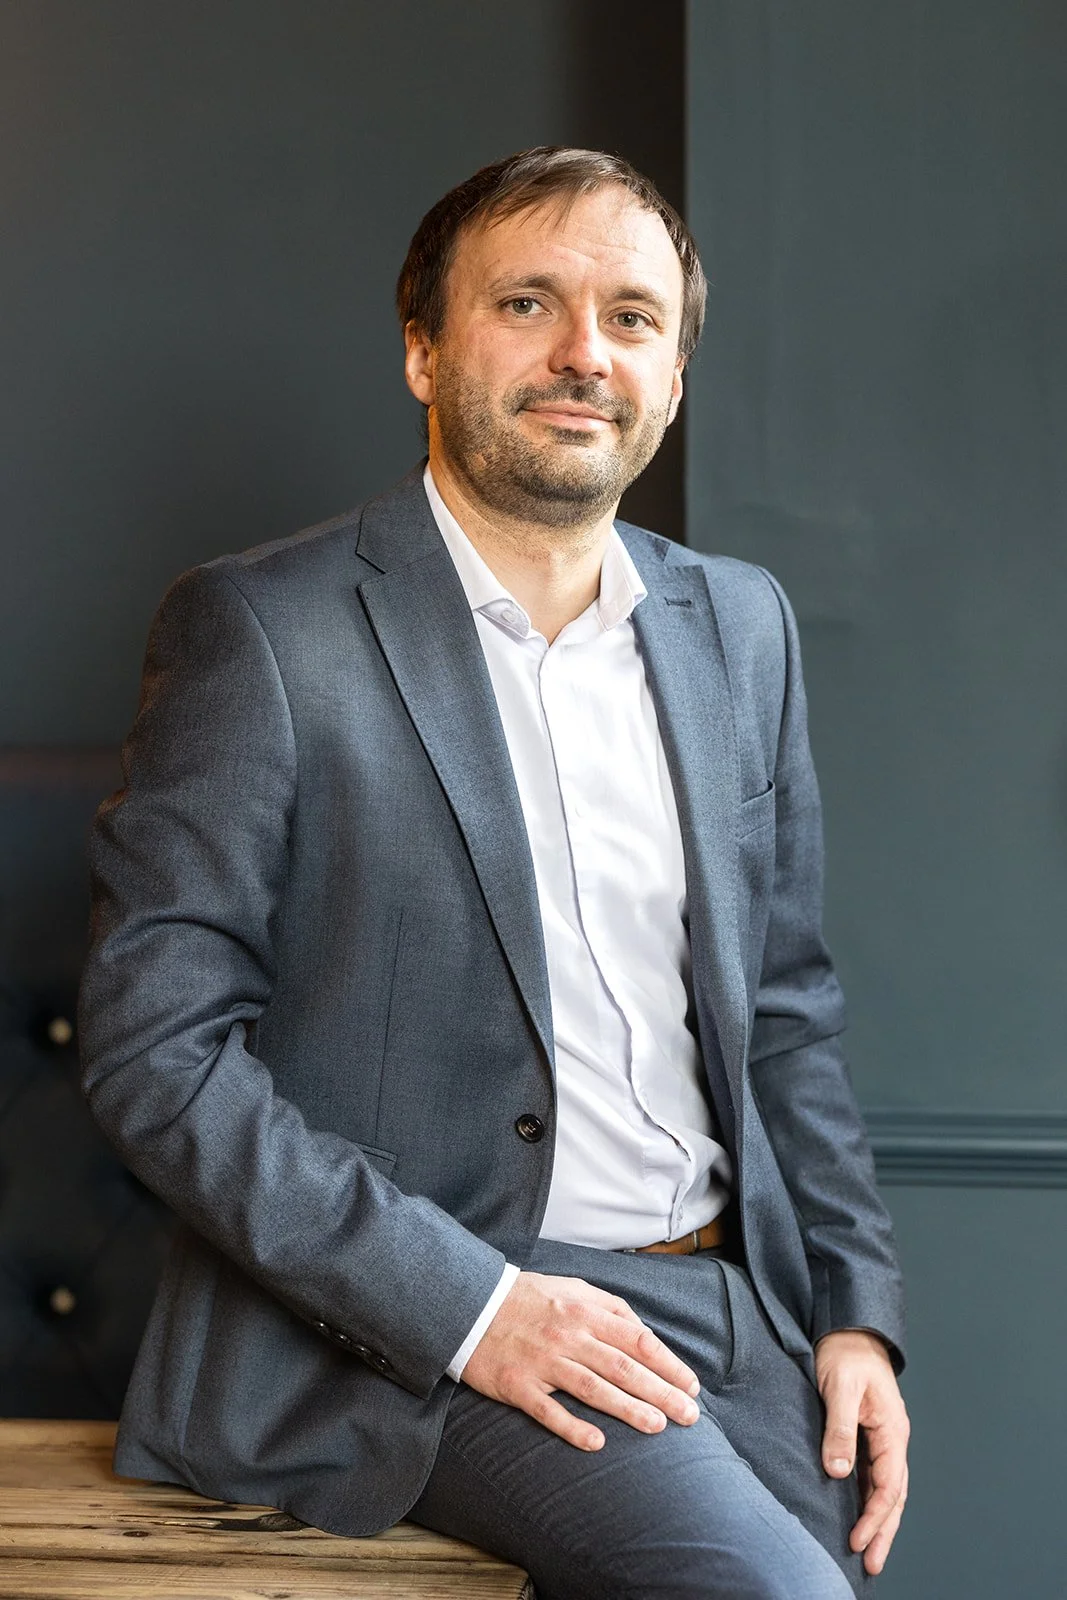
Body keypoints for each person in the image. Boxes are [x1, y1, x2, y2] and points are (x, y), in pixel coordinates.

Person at [77, 146, 909, 1599]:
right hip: (421, 1323)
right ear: (421, 349)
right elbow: (158, 1057)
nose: (585, 353)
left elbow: (782, 1004)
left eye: (632, 319)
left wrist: (851, 1313)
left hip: (733, 1303)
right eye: (527, 303)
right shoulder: (263, 632)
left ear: (671, 372)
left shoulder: (738, 629)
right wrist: (474, 1308)